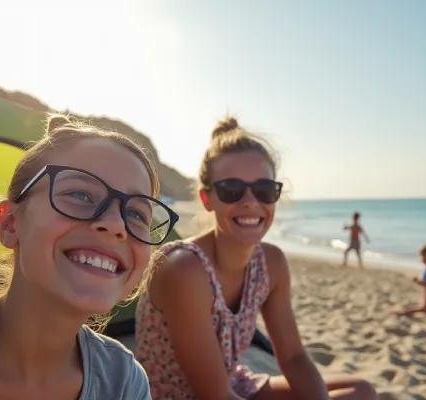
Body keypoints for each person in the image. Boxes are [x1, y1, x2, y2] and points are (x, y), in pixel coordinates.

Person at [0, 114, 179, 399]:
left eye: (136, 214)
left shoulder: (123, 380)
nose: (117, 225)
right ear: (10, 223)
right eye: (80, 195)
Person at [135, 117, 376, 399]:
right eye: (231, 190)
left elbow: (294, 356)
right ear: (207, 199)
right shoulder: (184, 268)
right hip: (181, 396)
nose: (250, 201)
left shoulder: (271, 263)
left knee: (360, 391)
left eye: (264, 190)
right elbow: (215, 396)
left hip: (233, 384)